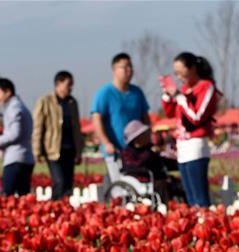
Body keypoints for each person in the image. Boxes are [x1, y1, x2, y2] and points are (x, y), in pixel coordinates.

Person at [161, 52, 222, 208]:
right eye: (177, 74)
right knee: (190, 198)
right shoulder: (184, 89)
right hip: (182, 145)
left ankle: (206, 226)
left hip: (196, 143)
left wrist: (180, 98)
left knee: (199, 196)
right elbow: (171, 113)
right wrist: (168, 96)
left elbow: (197, 116)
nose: (180, 77)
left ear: (193, 68)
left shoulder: (206, 87)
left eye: (182, 72)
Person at [91, 53, 151, 193]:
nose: (129, 70)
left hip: (136, 151)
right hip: (115, 149)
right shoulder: (105, 93)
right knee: (118, 184)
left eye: (130, 66)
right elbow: (96, 119)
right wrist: (106, 142)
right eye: (124, 67)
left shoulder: (137, 93)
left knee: (138, 184)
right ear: (114, 69)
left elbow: (145, 117)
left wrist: (148, 137)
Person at [32, 71, 83, 200]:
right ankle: (56, 207)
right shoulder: (45, 101)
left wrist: (79, 151)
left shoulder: (72, 103)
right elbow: (38, 127)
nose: (70, 88)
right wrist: (37, 150)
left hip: (69, 149)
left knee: (67, 184)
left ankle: (62, 209)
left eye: (72, 85)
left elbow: (77, 128)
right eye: (68, 84)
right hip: (53, 149)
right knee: (59, 182)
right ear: (58, 84)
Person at [0, 79, 34, 196]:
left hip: (16, 158)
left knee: (7, 197)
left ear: (8, 92)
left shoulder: (13, 108)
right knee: (23, 197)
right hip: (26, 157)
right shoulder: (21, 106)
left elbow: (14, 133)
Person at [119, 120, 185, 205]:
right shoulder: (127, 152)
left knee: (178, 183)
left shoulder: (149, 148)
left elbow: (162, 161)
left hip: (156, 177)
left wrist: (179, 165)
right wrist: (149, 154)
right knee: (162, 184)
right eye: (145, 134)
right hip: (142, 178)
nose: (148, 135)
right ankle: (166, 207)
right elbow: (134, 165)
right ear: (137, 138)